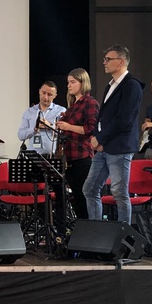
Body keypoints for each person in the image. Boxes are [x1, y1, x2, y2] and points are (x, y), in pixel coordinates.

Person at [82, 46, 143, 225]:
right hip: (105, 147)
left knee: (119, 192)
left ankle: (123, 233)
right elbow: (103, 116)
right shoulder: (111, 85)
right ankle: (96, 231)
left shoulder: (131, 85)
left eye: (109, 59)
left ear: (121, 61)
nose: (104, 62)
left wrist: (101, 138)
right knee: (90, 188)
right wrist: (97, 136)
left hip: (120, 147)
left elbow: (124, 120)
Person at [56, 69, 99, 222]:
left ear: (83, 82)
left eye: (73, 82)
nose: (69, 85)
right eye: (68, 82)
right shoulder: (72, 106)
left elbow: (91, 129)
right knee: (76, 196)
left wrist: (68, 126)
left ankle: (88, 228)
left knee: (84, 195)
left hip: (82, 155)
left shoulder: (90, 103)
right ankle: (81, 227)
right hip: (69, 157)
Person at [17, 81, 66, 156]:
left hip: (52, 156)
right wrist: (34, 129)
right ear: (39, 91)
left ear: (55, 96)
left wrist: (50, 126)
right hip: (32, 156)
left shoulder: (60, 111)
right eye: (44, 93)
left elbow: (65, 134)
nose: (45, 97)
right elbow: (20, 135)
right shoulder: (29, 112)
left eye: (49, 94)